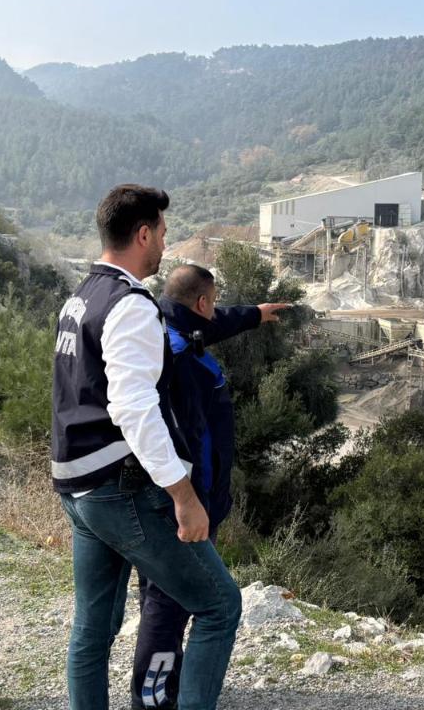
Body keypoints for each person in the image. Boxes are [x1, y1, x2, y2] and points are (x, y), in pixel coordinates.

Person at [51, 185, 242, 710]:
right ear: (142, 234)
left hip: (78, 486)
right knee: (219, 605)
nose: (164, 243)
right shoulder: (130, 305)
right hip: (119, 489)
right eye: (161, 232)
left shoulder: (83, 295)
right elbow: (134, 409)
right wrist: (183, 495)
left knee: (94, 626)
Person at [129, 264, 288, 709]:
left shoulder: (165, 325)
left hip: (169, 497)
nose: (216, 311)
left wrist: (253, 314)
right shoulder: (183, 360)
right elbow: (190, 443)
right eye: (213, 302)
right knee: (172, 600)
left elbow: (210, 325)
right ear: (200, 303)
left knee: (162, 595)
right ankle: (153, 698)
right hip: (187, 503)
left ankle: (169, 680)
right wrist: (196, 505)